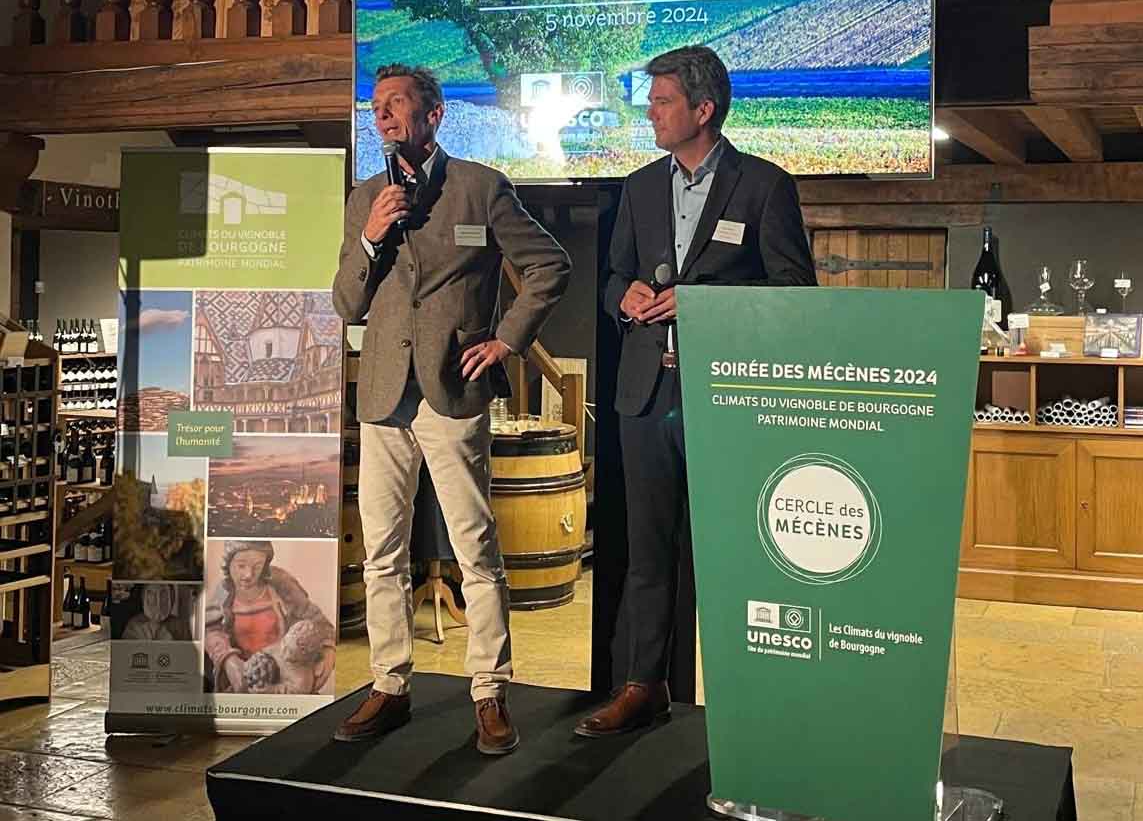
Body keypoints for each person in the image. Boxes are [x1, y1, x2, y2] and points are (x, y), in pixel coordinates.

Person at [576, 45, 817, 738]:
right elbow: (612, 276)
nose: (647, 112)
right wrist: (628, 295)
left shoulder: (764, 186)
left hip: (730, 396)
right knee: (647, 552)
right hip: (645, 396)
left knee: (738, 557)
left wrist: (699, 301)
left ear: (702, 110)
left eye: (660, 102)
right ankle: (641, 684)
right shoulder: (638, 186)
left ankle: (754, 702)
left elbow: (794, 292)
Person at [331, 63, 570, 754]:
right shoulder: (364, 196)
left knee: (475, 547)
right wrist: (373, 235)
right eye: (375, 106)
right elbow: (347, 302)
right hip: (382, 395)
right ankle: (388, 684)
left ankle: (489, 691)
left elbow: (550, 266)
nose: (382, 114)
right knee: (381, 551)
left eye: (396, 103)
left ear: (434, 113)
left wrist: (507, 339)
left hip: (453, 391)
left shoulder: (482, 188)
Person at [203, 539, 336, 694]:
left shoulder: (281, 584)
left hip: (286, 676)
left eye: (257, 566)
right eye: (241, 566)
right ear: (228, 564)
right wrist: (228, 659)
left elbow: (318, 622)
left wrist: (329, 650)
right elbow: (211, 630)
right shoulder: (223, 593)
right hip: (244, 680)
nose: (248, 574)